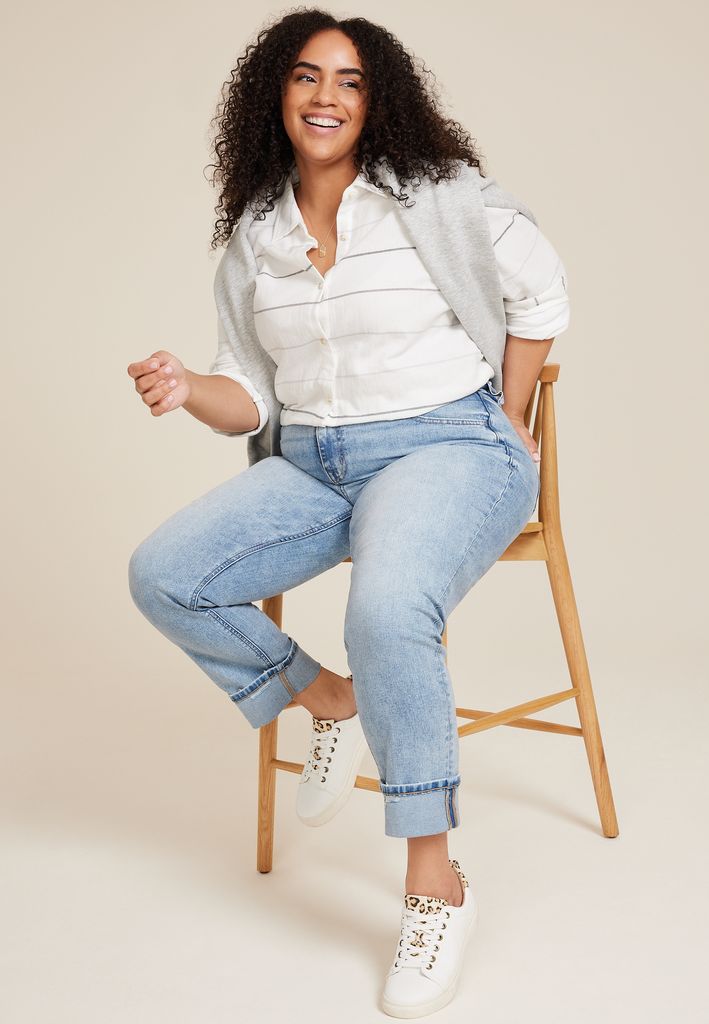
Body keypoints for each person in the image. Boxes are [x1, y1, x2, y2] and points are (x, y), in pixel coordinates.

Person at [126, 10, 570, 1018]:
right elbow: (252, 396)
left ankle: (434, 884)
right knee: (166, 574)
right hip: (316, 461)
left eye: (350, 81)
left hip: (445, 445)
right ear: (275, 95)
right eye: (306, 76)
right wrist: (188, 387)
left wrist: (505, 418)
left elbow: (542, 294)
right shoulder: (255, 237)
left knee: (387, 609)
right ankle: (330, 700)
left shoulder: (439, 197)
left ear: (378, 103)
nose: (326, 96)